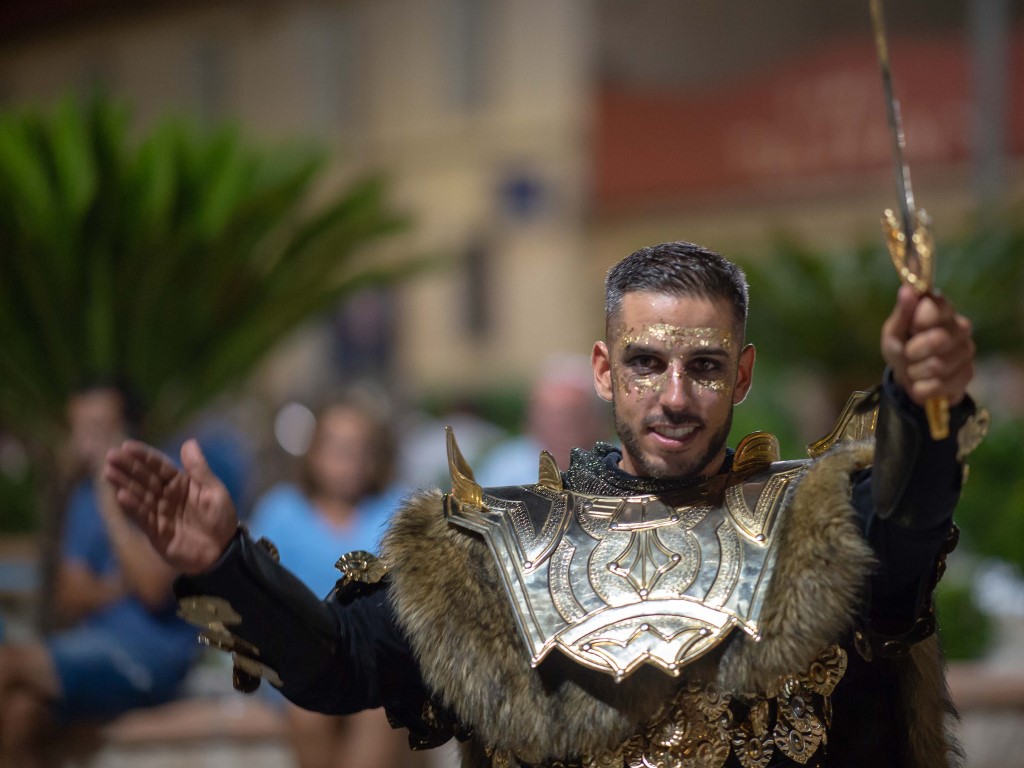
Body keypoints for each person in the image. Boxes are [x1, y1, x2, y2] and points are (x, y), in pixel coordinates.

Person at [104, 242, 982, 768]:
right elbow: (341, 664)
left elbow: (906, 528)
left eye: (705, 367)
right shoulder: (489, 549)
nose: (675, 396)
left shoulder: (818, 525)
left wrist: (920, 402)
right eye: (647, 363)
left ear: (742, 375)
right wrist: (224, 563)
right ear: (605, 369)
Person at [0, 385, 198, 768]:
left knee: (5, 663)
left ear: (131, 430)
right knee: (21, 717)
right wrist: (121, 584)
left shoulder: (167, 488)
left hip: (148, 659)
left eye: (97, 428)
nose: (85, 442)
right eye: (78, 429)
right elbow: (70, 594)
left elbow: (152, 588)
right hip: (88, 648)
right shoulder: (81, 499)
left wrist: (111, 506)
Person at [247, 393, 406, 768]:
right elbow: (257, 592)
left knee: (380, 711)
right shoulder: (280, 511)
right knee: (307, 710)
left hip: (376, 657)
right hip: (300, 656)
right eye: (335, 446)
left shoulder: (397, 510)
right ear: (314, 452)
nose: (346, 459)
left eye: (357, 448)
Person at [474, 354, 610, 487]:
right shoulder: (504, 467)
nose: (557, 427)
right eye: (546, 416)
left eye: (569, 416)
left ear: (597, 421)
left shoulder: (616, 466)